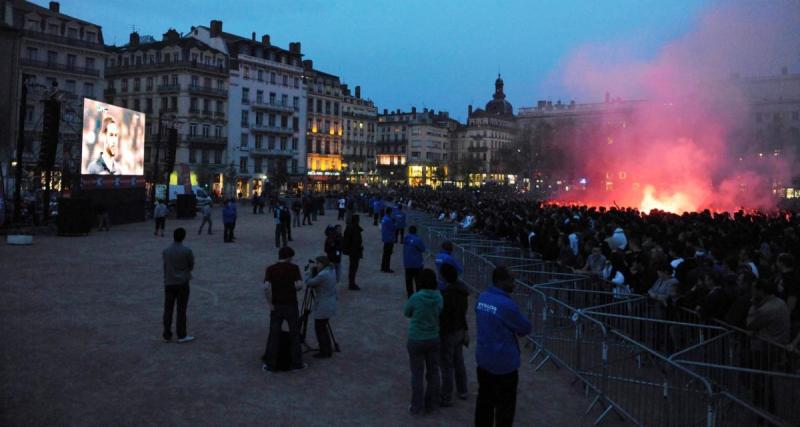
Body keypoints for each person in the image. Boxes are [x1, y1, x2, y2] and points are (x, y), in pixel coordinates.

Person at [475, 265, 532, 427]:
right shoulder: (507, 305)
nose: (514, 284)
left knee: (484, 401)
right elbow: (525, 328)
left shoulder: (482, 298)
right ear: (500, 281)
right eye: (511, 281)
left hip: (484, 358)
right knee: (505, 407)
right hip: (504, 364)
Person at [403, 269, 443, 415]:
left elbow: (406, 312)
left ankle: (416, 406)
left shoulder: (416, 297)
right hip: (433, 337)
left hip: (416, 338)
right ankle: (431, 404)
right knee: (433, 373)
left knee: (417, 374)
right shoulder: (438, 296)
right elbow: (440, 311)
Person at [263, 246, 306, 372]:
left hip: (277, 306)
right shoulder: (294, 268)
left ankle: (270, 365)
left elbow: (266, 288)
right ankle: (297, 364)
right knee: (294, 335)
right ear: (288, 257)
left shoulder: (270, 269)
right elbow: (298, 286)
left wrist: (270, 304)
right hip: (291, 304)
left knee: (274, 336)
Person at [439, 263, 469, 406]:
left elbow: (444, 316)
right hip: (460, 329)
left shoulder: (447, 294)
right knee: (459, 362)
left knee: (447, 365)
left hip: (448, 332)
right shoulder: (462, 292)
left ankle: (446, 395)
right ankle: (462, 390)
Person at [162, 227, 195, 343]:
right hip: (182, 283)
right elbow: (191, 265)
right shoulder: (187, 251)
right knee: (181, 309)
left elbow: (165, 266)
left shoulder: (166, 251)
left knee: (168, 309)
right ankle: (181, 334)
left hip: (169, 282)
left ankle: (167, 333)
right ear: (183, 237)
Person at [305, 256, 338, 358]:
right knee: (323, 327)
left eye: (318, 263)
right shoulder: (332, 270)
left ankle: (324, 352)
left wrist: (308, 272)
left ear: (323, 264)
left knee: (320, 328)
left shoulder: (323, 274)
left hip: (323, 303)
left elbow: (309, 282)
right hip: (330, 302)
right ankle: (327, 349)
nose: (316, 265)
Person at [403, 225, 426, 298]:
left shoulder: (406, 238)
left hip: (407, 262)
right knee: (418, 280)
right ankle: (419, 294)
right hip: (417, 263)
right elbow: (423, 249)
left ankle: (410, 294)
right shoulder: (417, 239)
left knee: (408, 280)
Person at [341, 214, 363, 290]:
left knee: (353, 268)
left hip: (354, 250)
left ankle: (352, 283)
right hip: (354, 251)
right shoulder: (353, 228)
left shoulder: (351, 228)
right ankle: (351, 284)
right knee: (353, 268)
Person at [380, 207, 397, 273]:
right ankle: (386, 268)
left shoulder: (384, 218)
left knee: (385, 254)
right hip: (389, 238)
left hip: (385, 237)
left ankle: (383, 267)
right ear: (390, 212)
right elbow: (393, 228)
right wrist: (395, 223)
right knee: (388, 254)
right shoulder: (389, 220)